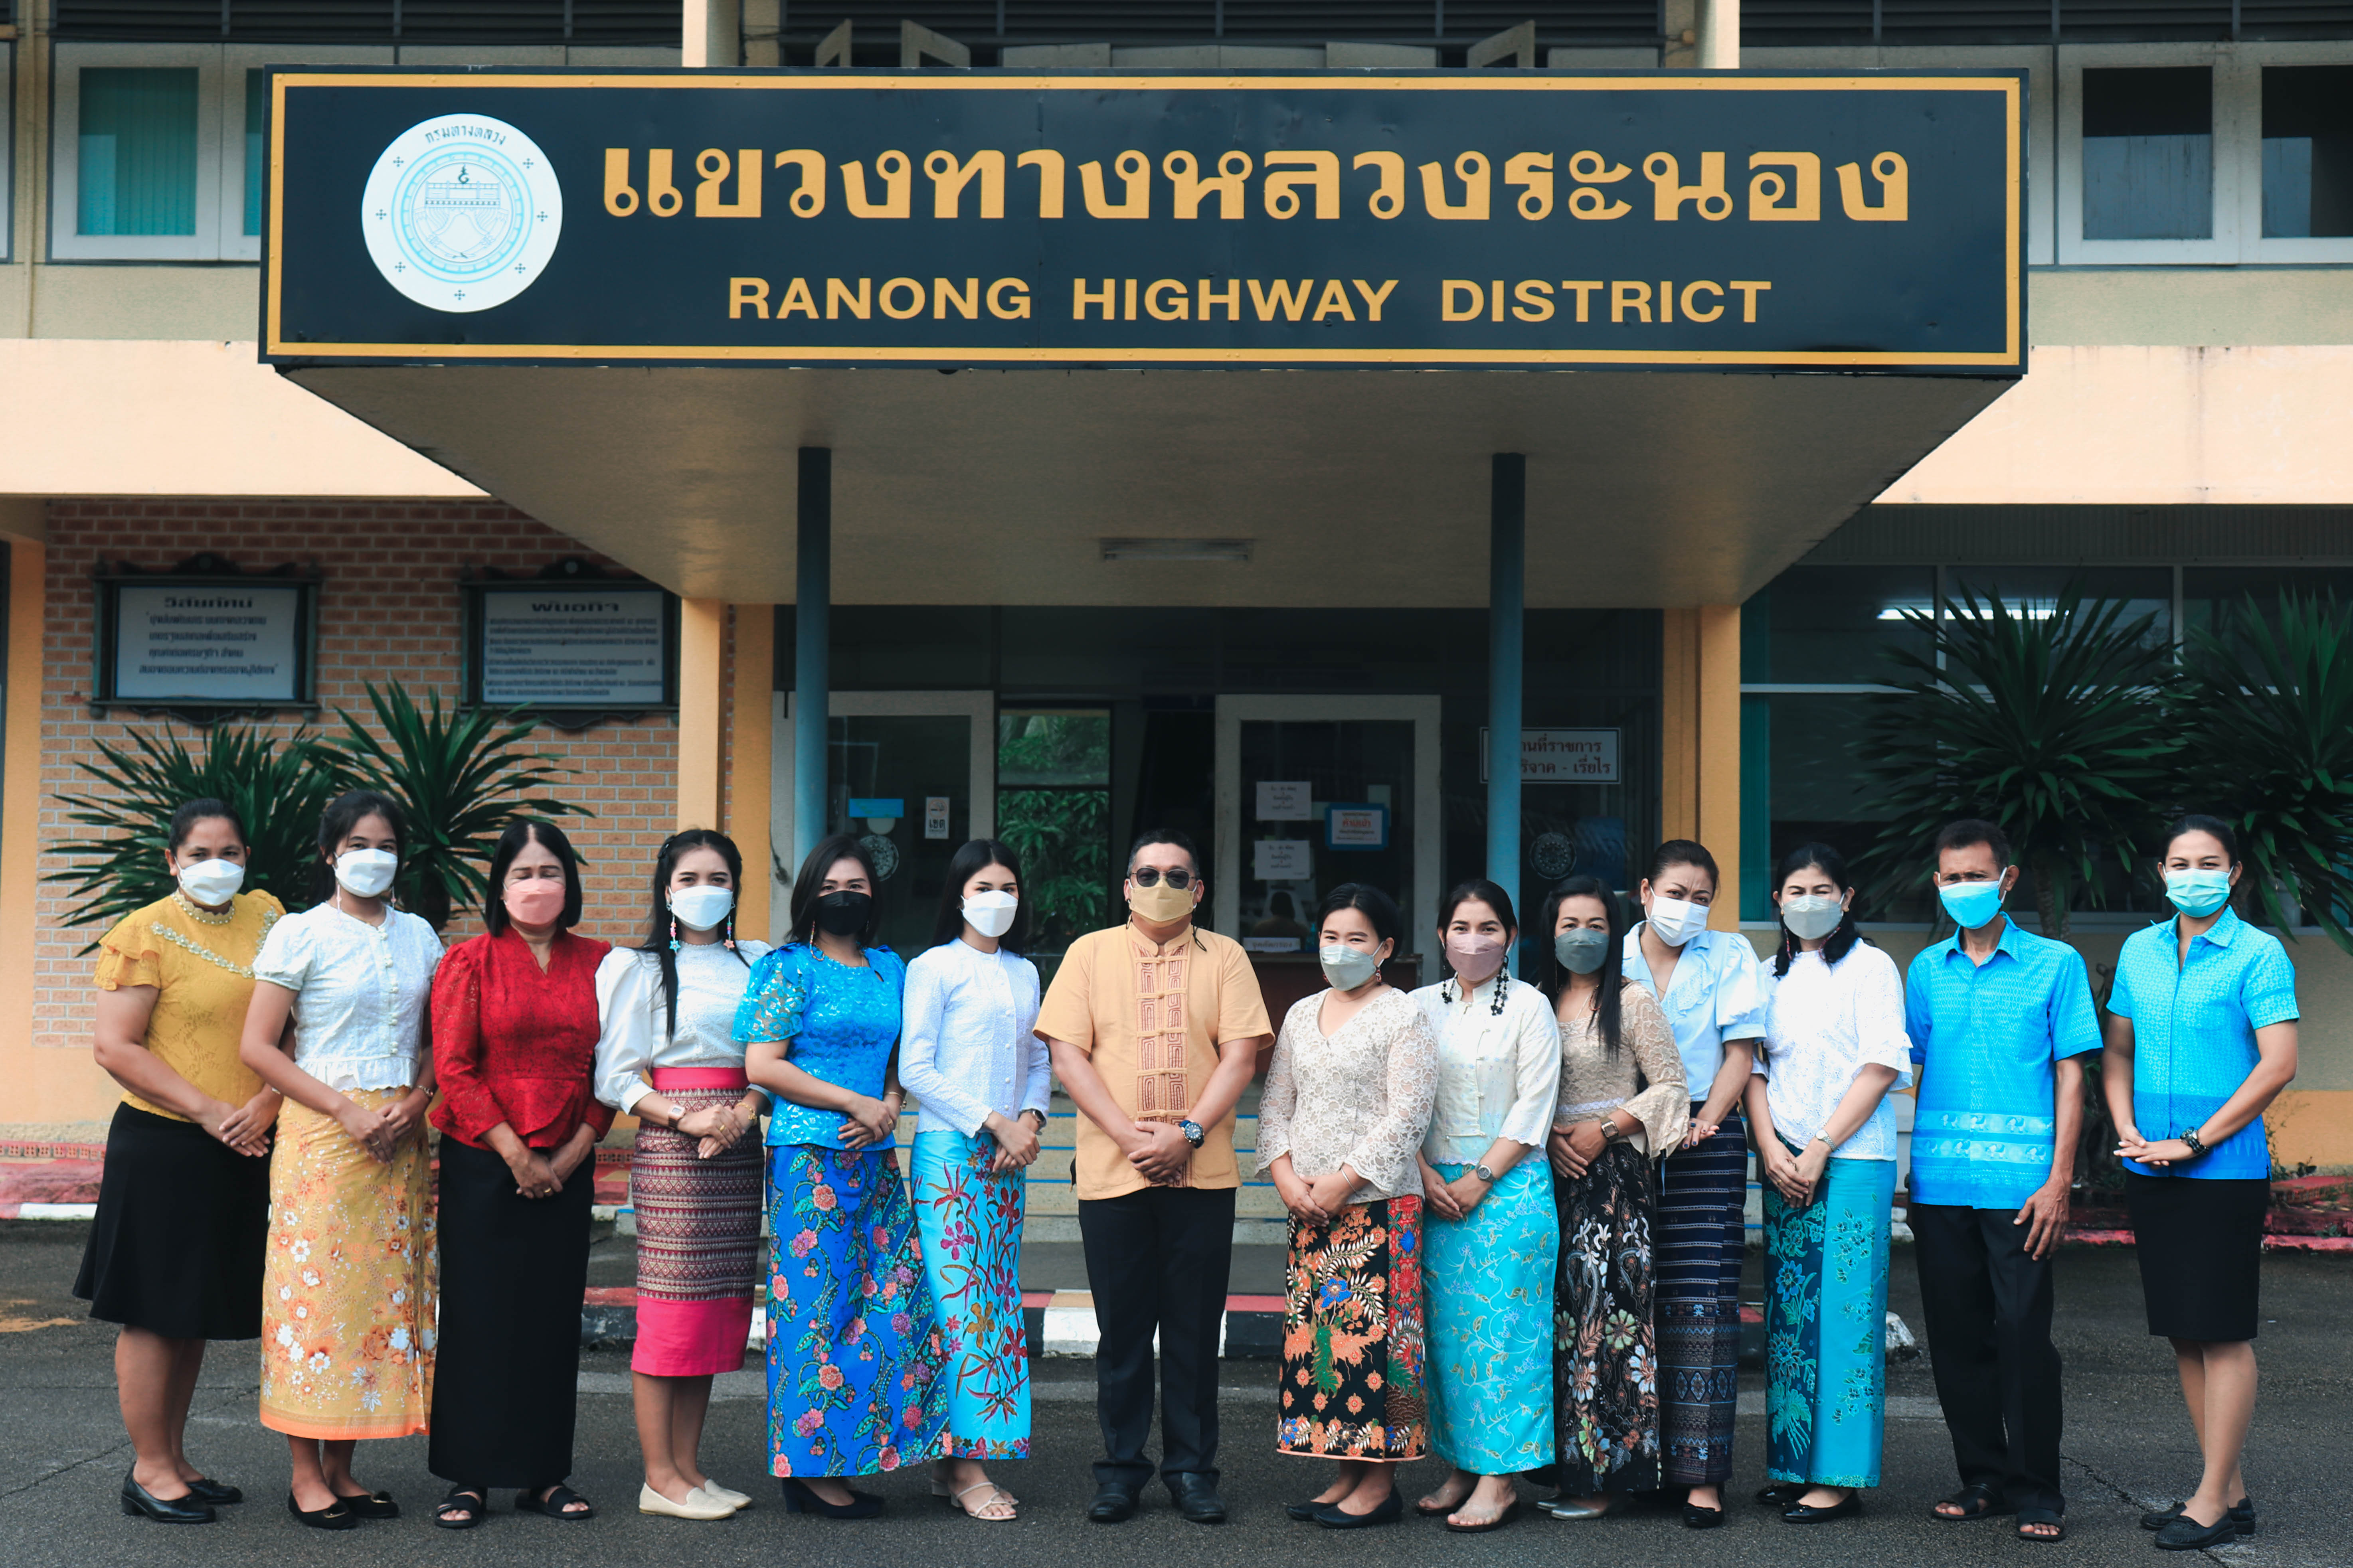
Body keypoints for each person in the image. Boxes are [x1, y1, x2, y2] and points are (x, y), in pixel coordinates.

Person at [1036, 828, 1272, 1527]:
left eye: (1176, 875)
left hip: (1204, 1174)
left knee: (1195, 1332)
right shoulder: (1089, 953)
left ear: (1199, 890)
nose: (1160, 886)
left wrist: (1187, 1134)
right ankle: (1120, 1471)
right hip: (1114, 1172)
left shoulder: (1227, 957)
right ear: (1126, 886)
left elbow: (1240, 1058)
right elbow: (1068, 1056)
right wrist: (1128, 1135)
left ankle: (1193, 1471)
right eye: (1147, 874)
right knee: (1123, 1332)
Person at [239, 790, 442, 1531]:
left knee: (377, 1304)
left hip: (400, 1138)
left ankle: (343, 1468)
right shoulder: (300, 933)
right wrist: (346, 1110)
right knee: (317, 1300)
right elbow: (258, 1046)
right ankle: (305, 1474)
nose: (372, 856)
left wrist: (419, 1098)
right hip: (325, 1139)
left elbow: (436, 1037)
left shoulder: (421, 935)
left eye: (386, 844)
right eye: (357, 843)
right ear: (329, 854)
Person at [79, 800, 284, 1524]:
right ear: (172, 861)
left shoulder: (269, 916)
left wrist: (268, 1100)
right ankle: (149, 1467)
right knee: (153, 1311)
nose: (215, 865)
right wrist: (207, 1110)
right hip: (166, 1140)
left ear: (248, 857)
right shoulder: (143, 932)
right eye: (199, 854)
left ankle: (174, 1454)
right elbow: (115, 1046)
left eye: (230, 852)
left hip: (245, 1137)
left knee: (192, 1310)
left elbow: (292, 1016)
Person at [2103, 814, 2299, 1553]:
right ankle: (2229, 1490)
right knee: (2185, 1329)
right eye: (2180, 863)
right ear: (2161, 872)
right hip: (2149, 1163)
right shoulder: (2141, 949)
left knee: (2223, 1330)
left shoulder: (2259, 952)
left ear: (2235, 873)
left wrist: (2194, 1141)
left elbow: (2278, 1063)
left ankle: (2212, 1499)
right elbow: (2118, 1049)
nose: (2194, 875)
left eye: (2209, 862)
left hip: (2223, 1170)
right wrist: (2128, 1128)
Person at [1904, 818, 2102, 1544]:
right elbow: (1913, 1071)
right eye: (1953, 878)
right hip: (1940, 1185)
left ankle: (2039, 1489)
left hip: (2023, 1189)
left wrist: (2060, 1180)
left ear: (2007, 879)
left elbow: (2072, 1075)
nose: (1966, 888)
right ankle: (1983, 1476)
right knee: (1957, 1338)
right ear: (1938, 883)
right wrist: (1907, 1171)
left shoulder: (2056, 964)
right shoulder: (1926, 970)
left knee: (2023, 1338)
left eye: (1978, 876)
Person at [740, 833, 948, 1517]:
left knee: (890, 1305)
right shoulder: (787, 968)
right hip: (808, 1160)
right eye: (832, 887)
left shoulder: (890, 967)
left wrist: (887, 1103)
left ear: (874, 895)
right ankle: (807, 1471)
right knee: (817, 1313)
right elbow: (763, 1065)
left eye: (857, 887)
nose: (844, 897)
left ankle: (852, 1453)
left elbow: (901, 1058)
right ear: (809, 895)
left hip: (875, 1156)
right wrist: (852, 1103)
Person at [427, 820, 612, 1529]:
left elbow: (615, 1065)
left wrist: (574, 1150)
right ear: (499, 888)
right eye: (524, 874)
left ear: (571, 882)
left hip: (569, 1160)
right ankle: (469, 1475)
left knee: (549, 1317)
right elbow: (454, 1068)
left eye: (551, 872)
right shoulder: (468, 961)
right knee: (479, 1315)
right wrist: (515, 1154)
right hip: (483, 1159)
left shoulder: (604, 963)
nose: (539, 885)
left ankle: (543, 1475)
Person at [593, 828, 773, 1522]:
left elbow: (775, 1054)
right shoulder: (637, 966)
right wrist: (687, 1118)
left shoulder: (758, 960)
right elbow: (615, 1075)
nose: (706, 890)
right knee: (671, 1310)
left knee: (714, 1310)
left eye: (719, 877)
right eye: (690, 878)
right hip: (675, 1147)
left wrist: (742, 1110)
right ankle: (658, 1476)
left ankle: (690, 1469)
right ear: (667, 890)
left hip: (739, 1141)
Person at [1258, 883, 1439, 1530]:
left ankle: (1381, 1483)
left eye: (1356, 938)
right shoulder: (1301, 1012)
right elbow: (1275, 1102)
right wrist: (1285, 1178)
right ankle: (1344, 1468)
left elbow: (1409, 1114)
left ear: (1385, 948)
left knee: (1379, 1347)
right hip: (1308, 1208)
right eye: (1331, 936)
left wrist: (1343, 1180)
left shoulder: (1403, 1015)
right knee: (1326, 1347)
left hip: (1380, 1208)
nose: (1341, 949)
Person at [1746, 841, 1910, 1526]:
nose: (1808, 901)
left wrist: (1819, 1146)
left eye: (1822, 889)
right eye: (1795, 890)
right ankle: (1793, 1463)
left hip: (1851, 1157)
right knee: (1790, 1317)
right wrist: (1769, 1146)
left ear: (1847, 899)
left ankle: (1838, 1477)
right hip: (1782, 1157)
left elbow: (1880, 1067)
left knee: (1845, 1315)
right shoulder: (1765, 975)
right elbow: (1752, 1066)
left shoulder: (1872, 967)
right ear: (1778, 900)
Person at [898, 838, 1050, 1521]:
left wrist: (1030, 1120)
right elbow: (916, 1068)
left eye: (1009, 888)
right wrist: (993, 1122)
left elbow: (1039, 1060)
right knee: (958, 1307)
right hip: (950, 1156)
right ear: (958, 896)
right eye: (984, 888)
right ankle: (966, 1466)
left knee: (995, 1303)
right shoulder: (933, 967)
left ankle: (954, 1458)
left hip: (1008, 1160)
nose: (998, 900)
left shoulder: (1024, 971)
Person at [1620, 839, 1764, 1525]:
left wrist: (1706, 1119)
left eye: (1702, 897)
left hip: (1707, 1136)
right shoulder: (1612, 953)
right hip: (1622, 1137)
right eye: (1676, 893)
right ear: (1646, 891)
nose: (1688, 907)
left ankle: (1702, 1475)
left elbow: (1742, 1050)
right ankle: (1640, 1464)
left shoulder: (1729, 954)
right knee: (1627, 1302)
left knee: (1703, 1302)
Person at [1410, 879, 1561, 1533]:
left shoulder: (1531, 1006)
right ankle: (1462, 1464)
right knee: (1448, 1339)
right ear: (1441, 935)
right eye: (1462, 928)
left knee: (1507, 1337)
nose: (1474, 941)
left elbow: (1535, 1103)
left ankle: (1500, 1479)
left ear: (1512, 936)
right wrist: (1422, 1173)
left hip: (1510, 1188)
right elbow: (1400, 1100)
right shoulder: (1417, 1006)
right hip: (1432, 1189)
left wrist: (1479, 1178)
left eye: (1489, 928)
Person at [1536, 876, 1688, 1522]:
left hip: (1614, 1183)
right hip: (1547, 1176)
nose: (1582, 936)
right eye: (1569, 924)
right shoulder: (1535, 1002)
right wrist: (1547, 1136)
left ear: (1614, 932)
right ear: (1550, 933)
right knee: (1562, 1324)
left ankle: (1608, 1477)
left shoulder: (1632, 1000)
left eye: (1596, 924)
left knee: (1609, 1322)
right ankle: (1568, 1467)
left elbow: (1672, 1086)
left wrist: (1604, 1129)